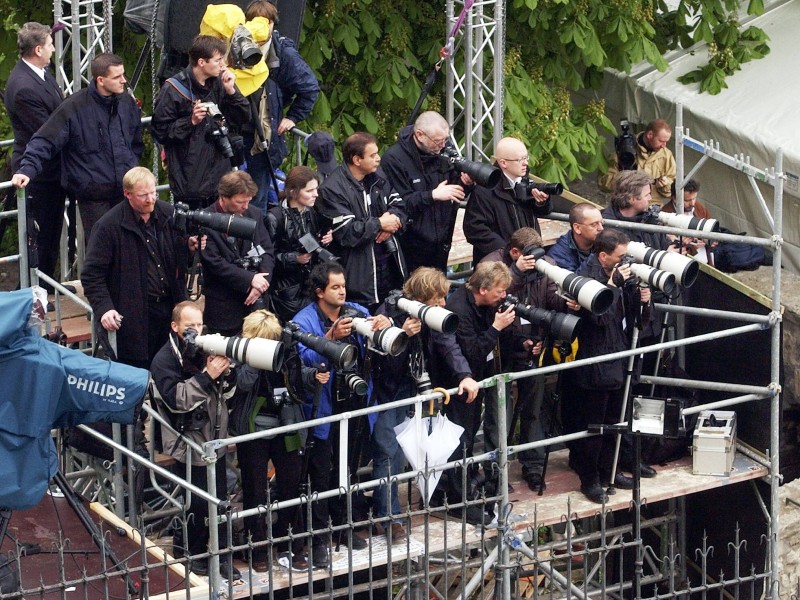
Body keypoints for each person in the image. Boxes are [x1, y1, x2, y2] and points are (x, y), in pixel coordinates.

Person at [292, 262, 394, 566]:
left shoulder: (355, 310)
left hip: (354, 402)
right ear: (320, 291)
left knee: (347, 468)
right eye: (335, 287)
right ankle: (321, 537)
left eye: (343, 285)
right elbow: (301, 358)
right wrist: (331, 338)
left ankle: (344, 526)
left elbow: (375, 332)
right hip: (323, 407)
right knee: (321, 474)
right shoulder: (304, 319)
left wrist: (383, 324)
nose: (342, 291)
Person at [371, 267, 480, 539]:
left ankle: (405, 503)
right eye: (437, 298)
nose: (443, 304)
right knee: (388, 452)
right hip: (388, 390)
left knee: (414, 449)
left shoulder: (432, 314)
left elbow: (448, 344)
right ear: (421, 296)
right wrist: (402, 334)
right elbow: (382, 361)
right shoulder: (391, 309)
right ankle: (388, 517)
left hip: (416, 387)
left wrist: (465, 375)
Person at [229, 308, 328, 572]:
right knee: (254, 489)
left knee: (291, 487)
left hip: (287, 423)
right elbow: (241, 384)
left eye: (270, 339)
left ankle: (290, 544)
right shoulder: (238, 350)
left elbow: (297, 376)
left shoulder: (285, 348)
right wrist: (252, 356)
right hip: (253, 427)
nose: (268, 344)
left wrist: (311, 376)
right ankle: (257, 547)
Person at [150, 301, 240, 580]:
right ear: (174, 326)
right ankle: (195, 554)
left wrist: (227, 373)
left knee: (222, 501)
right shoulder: (163, 360)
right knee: (196, 503)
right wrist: (207, 375)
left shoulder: (205, 348)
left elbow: (230, 394)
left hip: (216, 438)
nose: (196, 331)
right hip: (186, 442)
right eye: (189, 326)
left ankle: (223, 555)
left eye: (199, 325)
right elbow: (177, 401)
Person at [561, 228, 652, 504]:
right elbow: (601, 319)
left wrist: (644, 301)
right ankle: (590, 480)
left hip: (621, 357)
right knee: (595, 427)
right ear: (603, 256)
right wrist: (613, 286)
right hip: (596, 364)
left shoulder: (624, 274)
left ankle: (610, 471)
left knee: (616, 422)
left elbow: (637, 320)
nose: (626, 261)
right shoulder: (586, 280)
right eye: (621, 256)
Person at [11, 53, 143, 242]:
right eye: (117, 77)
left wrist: (132, 165)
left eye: (123, 75)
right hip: (94, 196)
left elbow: (136, 141)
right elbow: (45, 139)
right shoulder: (74, 107)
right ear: (101, 80)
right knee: (102, 253)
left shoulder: (126, 103)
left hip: (125, 191)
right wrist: (27, 169)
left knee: (130, 248)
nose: (124, 81)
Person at [81, 167, 194, 369]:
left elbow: (176, 257)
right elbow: (92, 276)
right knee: (136, 372)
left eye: (153, 192)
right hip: (133, 314)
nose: (150, 199)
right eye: (143, 195)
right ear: (127, 194)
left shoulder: (167, 214)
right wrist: (104, 308)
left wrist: (189, 248)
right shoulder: (108, 226)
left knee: (171, 367)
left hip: (168, 307)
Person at [481, 228, 567, 491]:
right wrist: (516, 272)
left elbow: (552, 299)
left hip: (534, 345)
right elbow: (489, 302)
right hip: (501, 349)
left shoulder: (545, 264)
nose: (536, 261)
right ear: (515, 251)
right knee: (499, 415)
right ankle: (497, 472)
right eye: (529, 256)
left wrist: (568, 303)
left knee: (533, 409)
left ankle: (533, 465)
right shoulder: (491, 264)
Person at [435, 261, 515, 524]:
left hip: (475, 383)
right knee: (459, 443)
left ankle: (463, 489)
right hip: (456, 387)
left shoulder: (483, 305)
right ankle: (458, 501)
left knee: (468, 440)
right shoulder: (459, 309)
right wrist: (496, 328)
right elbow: (472, 352)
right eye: (499, 291)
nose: (502, 296)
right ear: (482, 289)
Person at [151, 35, 251, 209]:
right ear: (202, 62)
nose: (223, 65)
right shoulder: (173, 90)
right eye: (218, 60)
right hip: (190, 181)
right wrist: (190, 121)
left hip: (220, 178)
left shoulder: (220, 83)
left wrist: (232, 92)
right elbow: (160, 132)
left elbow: (243, 117)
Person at [4, 22, 67, 286]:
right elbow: (47, 130)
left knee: (52, 229)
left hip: (53, 171)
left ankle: (47, 282)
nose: (54, 49)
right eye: (51, 45)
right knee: (38, 233)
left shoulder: (41, 73)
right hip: (38, 173)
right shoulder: (24, 87)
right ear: (38, 49)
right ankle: (33, 289)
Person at [242, 0, 320, 212]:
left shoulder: (283, 54)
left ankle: (255, 242)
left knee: (256, 199)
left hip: (264, 137)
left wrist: (293, 117)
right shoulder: (238, 44)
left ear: (271, 25)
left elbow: (310, 88)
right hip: (239, 131)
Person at [316, 132, 407, 309]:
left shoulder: (378, 176)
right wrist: (380, 224)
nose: (379, 159)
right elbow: (347, 232)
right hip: (358, 279)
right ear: (357, 160)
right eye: (372, 155)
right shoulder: (332, 189)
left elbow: (400, 205)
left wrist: (390, 225)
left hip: (389, 268)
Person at [380, 111, 473, 274]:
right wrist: (433, 195)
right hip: (410, 246)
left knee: (438, 295)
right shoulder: (394, 159)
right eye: (438, 141)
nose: (443, 145)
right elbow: (401, 204)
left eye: (446, 139)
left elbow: (454, 190)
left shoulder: (443, 151)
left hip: (441, 242)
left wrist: (465, 183)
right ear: (420, 135)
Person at [199, 170, 275, 336]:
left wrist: (261, 283)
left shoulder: (254, 214)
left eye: (248, 201)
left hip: (256, 305)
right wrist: (249, 280)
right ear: (223, 197)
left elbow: (267, 251)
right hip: (224, 309)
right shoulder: (206, 219)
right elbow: (214, 263)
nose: (245, 207)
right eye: (240, 202)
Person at [463, 137, 553, 264]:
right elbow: (474, 229)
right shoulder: (484, 190)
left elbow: (544, 212)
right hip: (500, 266)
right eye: (519, 160)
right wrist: (509, 252)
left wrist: (542, 202)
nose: (525, 163)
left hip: (531, 257)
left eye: (526, 158)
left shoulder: (525, 182)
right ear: (503, 163)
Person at [266, 165, 333, 322]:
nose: (315, 195)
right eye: (309, 191)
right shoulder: (274, 217)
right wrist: (294, 258)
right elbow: (267, 257)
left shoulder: (313, 212)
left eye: (316, 189)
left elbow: (315, 247)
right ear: (293, 192)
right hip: (285, 290)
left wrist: (326, 240)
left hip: (310, 286)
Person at [599, 118, 676, 203]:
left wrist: (664, 185)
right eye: (661, 141)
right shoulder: (625, 150)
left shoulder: (666, 155)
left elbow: (673, 188)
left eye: (666, 142)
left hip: (652, 207)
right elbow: (603, 183)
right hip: (626, 205)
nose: (664, 146)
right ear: (650, 135)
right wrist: (626, 179)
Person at [601, 170, 671, 251]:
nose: (650, 198)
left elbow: (665, 243)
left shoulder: (648, 217)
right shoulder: (609, 229)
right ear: (631, 199)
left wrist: (672, 248)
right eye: (647, 195)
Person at [662, 179, 714, 263]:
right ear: (675, 199)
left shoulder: (699, 207)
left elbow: (711, 226)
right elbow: (670, 249)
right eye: (687, 200)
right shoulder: (665, 216)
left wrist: (712, 239)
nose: (692, 203)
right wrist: (691, 246)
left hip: (705, 260)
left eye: (694, 198)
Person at [547, 203, 604, 272]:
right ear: (577, 228)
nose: (601, 228)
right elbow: (573, 281)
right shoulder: (558, 255)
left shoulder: (604, 242)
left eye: (602, 223)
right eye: (594, 224)